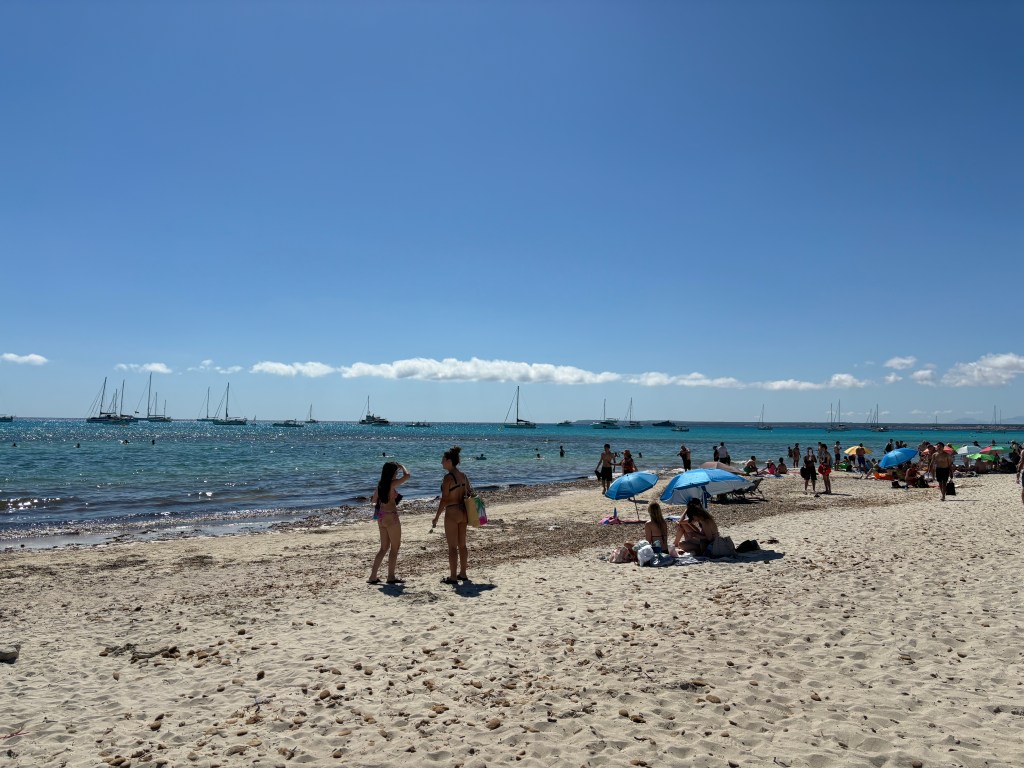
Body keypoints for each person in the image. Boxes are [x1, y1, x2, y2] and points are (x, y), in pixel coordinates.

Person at [431, 446, 473, 584]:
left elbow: (444, 500)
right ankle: (463, 574)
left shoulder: (448, 477)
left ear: (449, 461)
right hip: (463, 512)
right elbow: (471, 492)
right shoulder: (463, 475)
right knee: (462, 545)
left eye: (443, 460)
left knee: (452, 547)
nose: (441, 462)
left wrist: (436, 517)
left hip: (452, 512)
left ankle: (453, 576)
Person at [367, 461, 411, 585]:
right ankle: (391, 576)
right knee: (395, 548)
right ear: (391, 473)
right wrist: (402, 466)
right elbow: (407, 476)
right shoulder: (392, 484)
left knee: (383, 548)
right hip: (391, 517)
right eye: (396, 472)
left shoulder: (380, 485)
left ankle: (373, 576)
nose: (397, 474)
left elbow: (373, 500)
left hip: (381, 517)